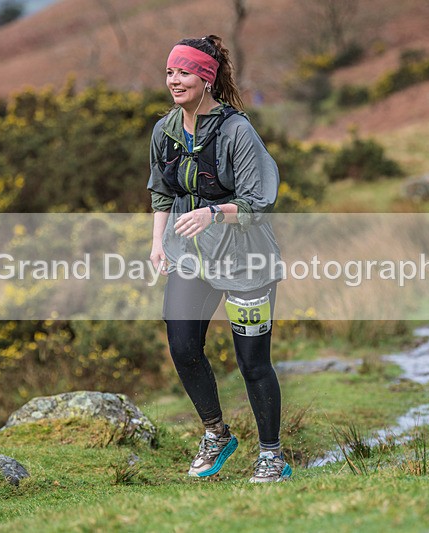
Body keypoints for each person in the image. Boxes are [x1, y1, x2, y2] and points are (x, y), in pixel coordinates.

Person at [147, 35, 290, 482]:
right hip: (190, 257)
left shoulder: (237, 131)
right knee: (183, 346)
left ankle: (272, 455)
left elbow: (258, 202)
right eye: (170, 72)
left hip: (245, 259)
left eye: (184, 72)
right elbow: (160, 193)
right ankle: (216, 433)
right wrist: (157, 244)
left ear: (205, 78)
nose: (175, 80)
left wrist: (213, 213)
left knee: (252, 362)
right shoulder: (165, 130)